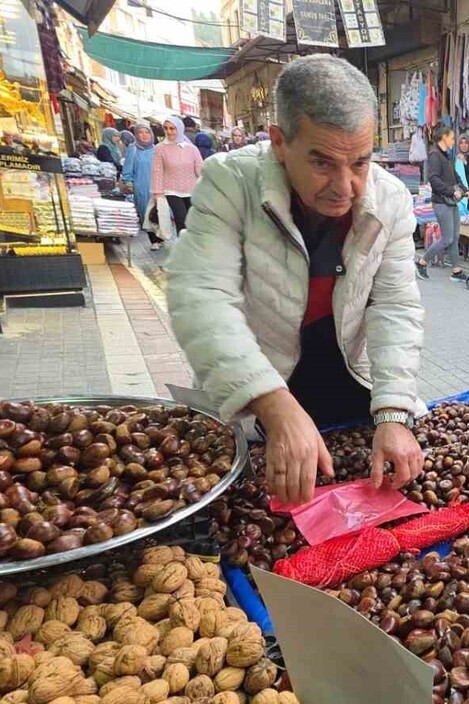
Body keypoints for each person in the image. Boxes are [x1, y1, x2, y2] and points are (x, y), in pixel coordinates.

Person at [165, 54, 425, 505]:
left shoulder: (391, 200)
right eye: (323, 163)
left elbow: (395, 307)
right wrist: (272, 402)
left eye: (360, 163)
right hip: (261, 383)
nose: (345, 186)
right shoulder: (230, 182)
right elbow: (202, 297)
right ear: (280, 143)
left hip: (349, 385)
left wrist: (393, 411)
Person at [416, 124, 468, 280]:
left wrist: (465, 190)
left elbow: (455, 177)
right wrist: (453, 191)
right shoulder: (434, 155)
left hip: (451, 202)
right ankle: (422, 261)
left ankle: (456, 271)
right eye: (452, 138)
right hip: (441, 202)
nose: (454, 141)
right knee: (447, 238)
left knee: (455, 236)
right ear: (444, 137)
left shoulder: (446, 156)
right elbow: (434, 179)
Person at [151, 115, 203, 236]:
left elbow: (200, 169)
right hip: (172, 190)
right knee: (181, 219)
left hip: (191, 190)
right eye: (166, 128)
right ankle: (183, 247)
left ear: (179, 129)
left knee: (193, 220)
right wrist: (157, 192)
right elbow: (157, 171)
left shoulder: (192, 149)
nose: (169, 131)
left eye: (172, 128)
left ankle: (194, 245)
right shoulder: (160, 148)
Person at [121, 123, 161, 251]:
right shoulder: (133, 149)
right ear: (136, 135)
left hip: (158, 186)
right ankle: (153, 240)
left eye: (147, 132)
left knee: (161, 212)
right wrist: (129, 182)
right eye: (140, 133)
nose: (144, 135)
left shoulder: (157, 149)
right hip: (142, 187)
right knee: (147, 214)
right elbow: (127, 170)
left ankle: (161, 237)